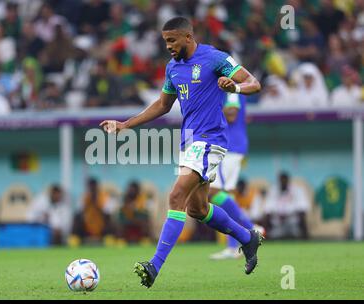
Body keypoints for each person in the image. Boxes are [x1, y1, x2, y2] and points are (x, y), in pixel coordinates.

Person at [100, 17, 263, 288]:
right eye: (165, 41)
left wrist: (234, 87)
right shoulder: (173, 68)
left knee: (176, 196)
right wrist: (125, 124)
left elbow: (253, 83)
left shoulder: (215, 57)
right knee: (198, 209)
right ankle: (248, 238)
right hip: (189, 144)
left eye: (172, 40)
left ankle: (154, 265)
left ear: (188, 37)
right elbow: (163, 105)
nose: (168, 46)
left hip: (211, 140)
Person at [208, 93, 263, 260]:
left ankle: (250, 227)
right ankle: (233, 246)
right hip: (231, 146)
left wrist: (209, 111)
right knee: (226, 196)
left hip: (229, 146)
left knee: (213, 192)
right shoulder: (226, 86)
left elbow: (231, 113)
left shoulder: (230, 87)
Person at [263, 172, 310, 240]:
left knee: (296, 234)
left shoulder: (297, 190)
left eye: (285, 180)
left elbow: (303, 209)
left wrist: (288, 214)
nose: (283, 182)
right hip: (278, 225)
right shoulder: (273, 190)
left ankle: (306, 240)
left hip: (293, 224)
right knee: (274, 235)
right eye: (281, 180)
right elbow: (267, 210)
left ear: (288, 180)